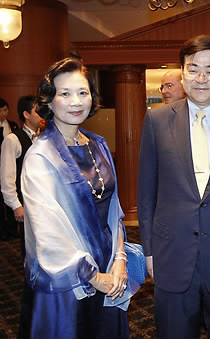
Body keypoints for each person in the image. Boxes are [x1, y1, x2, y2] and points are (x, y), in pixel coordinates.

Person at [138, 35, 210, 338]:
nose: (201, 78)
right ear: (183, 72)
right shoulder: (156, 120)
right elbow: (147, 191)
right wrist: (149, 251)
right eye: (193, 69)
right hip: (171, 256)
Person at [21, 57, 139, 338]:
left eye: (82, 92)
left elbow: (114, 209)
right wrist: (94, 277)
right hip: (66, 281)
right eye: (65, 93)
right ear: (48, 101)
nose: (76, 101)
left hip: (109, 269)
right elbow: (47, 232)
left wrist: (120, 260)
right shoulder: (41, 156)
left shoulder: (97, 144)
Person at [0, 96, 43, 337]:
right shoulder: (12, 140)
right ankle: (33, 294)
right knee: (29, 251)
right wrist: (15, 205)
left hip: (43, 205)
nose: (41, 115)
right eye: (37, 111)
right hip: (25, 206)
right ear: (26, 114)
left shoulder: (44, 136)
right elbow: (7, 178)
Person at [0, 97, 19, 240]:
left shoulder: (12, 125)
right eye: (0, 111)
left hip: (11, 164)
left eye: (5, 110)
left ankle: (13, 229)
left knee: (12, 196)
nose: (3, 113)